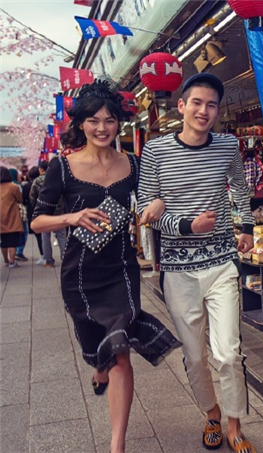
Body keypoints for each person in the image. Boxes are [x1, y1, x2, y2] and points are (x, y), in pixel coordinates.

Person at [30, 79, 182, 453]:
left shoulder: (132, 163)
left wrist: (154, 207)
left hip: (121, 270)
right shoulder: (61, 168)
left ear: (119, 124)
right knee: (100, 351)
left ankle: (117, 445)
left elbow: (148, 201)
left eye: (110, 120)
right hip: (80, 276)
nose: (102, 128)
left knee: (120, 352)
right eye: (94, 120)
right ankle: (98, 367)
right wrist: (72, 216)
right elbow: (36, 221)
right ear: (81, 123)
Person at [137, 73, 256, 453]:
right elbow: (145, 210)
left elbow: (240, 185)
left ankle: (235, 424)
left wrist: (248, 225)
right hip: (177, 269)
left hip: (221, 261)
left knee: (228, 352)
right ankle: (212, 416)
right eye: (197, 103)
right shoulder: (155, 152)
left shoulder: (227, 146)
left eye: (211, 105)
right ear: (182, 106)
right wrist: (187, 225)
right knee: (194, 355)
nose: (204, 111)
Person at [30, 160, 67, 267]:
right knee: (61, 235)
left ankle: (48, 260)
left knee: (45, 235)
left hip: (44, 212)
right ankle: (65, 258)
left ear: (41, 169)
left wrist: (36, 208)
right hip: (59, 210)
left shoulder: (37, 181)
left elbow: (32, 196)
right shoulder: (58, 178)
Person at [0, 166, 24, 268]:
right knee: (12, 240)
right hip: (11, 216)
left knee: (3, 240)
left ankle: (5, 260)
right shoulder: (13, 187)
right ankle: (12, 261)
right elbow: (20, 199)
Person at [23, 166, 44, 263]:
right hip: (48, 210)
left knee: (38, 235)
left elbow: (24, 200)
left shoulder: (27, 186)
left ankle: (43, 255)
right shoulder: (46, 182)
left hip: (33, 211)